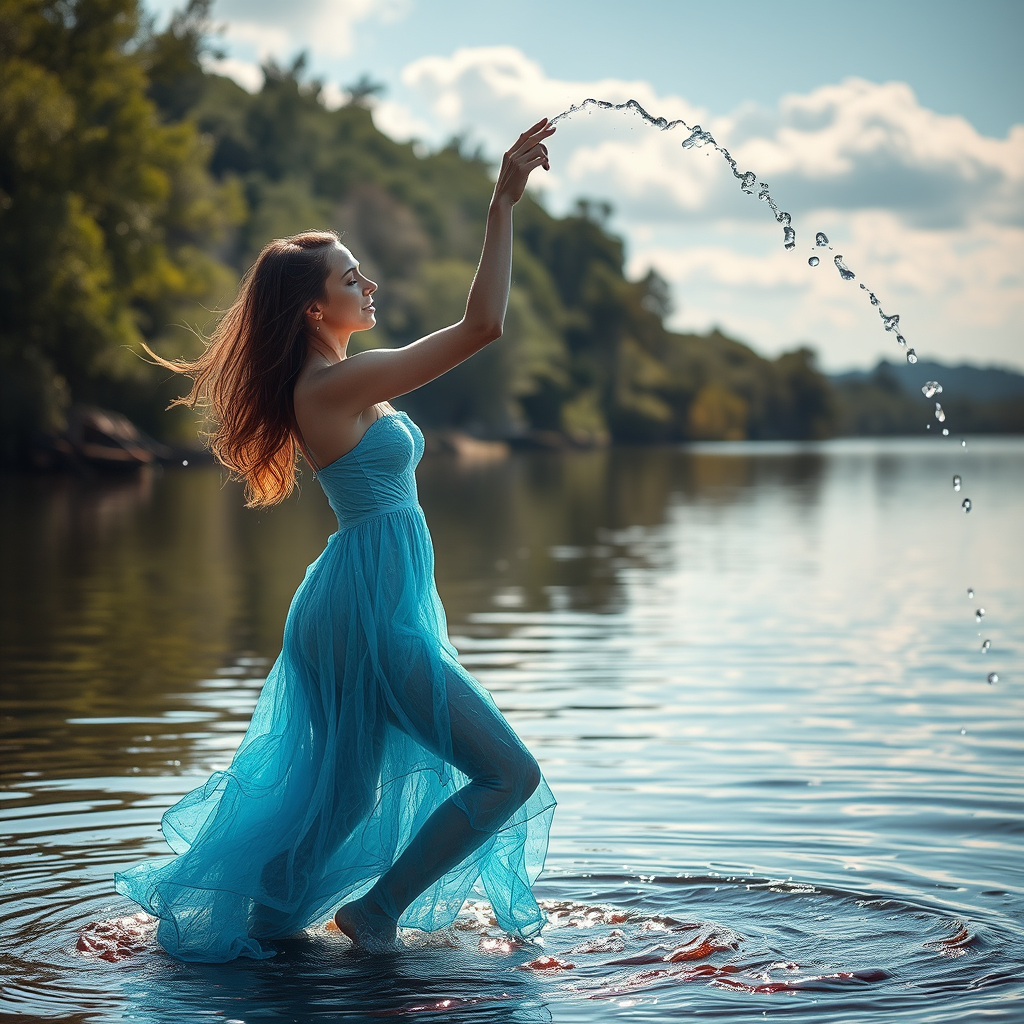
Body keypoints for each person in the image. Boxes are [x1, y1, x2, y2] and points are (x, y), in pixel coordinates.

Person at [113, 120, 558, 962]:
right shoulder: (337, 383)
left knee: (346, 798)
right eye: (354, 277)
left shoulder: (338, 382)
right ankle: (375, 913)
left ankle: (269, 929)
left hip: (363, 601)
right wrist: (501, 204)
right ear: (317, 307)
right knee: (508, 776)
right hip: (365, 612)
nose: (371, 283)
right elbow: (482, 327)